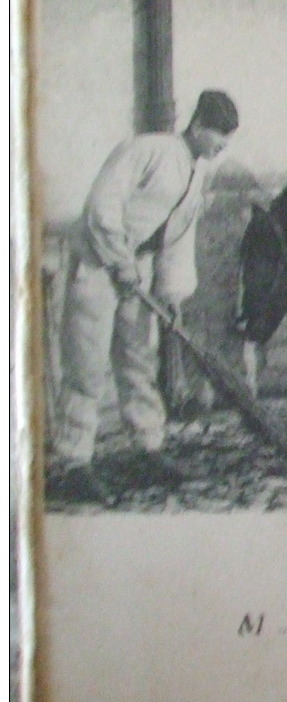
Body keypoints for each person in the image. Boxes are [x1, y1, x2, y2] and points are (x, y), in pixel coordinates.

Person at [51, 89, 240, 495]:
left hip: (136, 271)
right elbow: (102, 205)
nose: (223, 144)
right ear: (198, 125)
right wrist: (120, 263)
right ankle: (72, 464)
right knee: (85, 364)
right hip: (97, 264)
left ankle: (147, 449)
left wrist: (171, 296)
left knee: (136, 359)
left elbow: (177, 238)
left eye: (229, 137)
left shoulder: (197, 175)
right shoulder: (147, 150)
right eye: (219, 133)